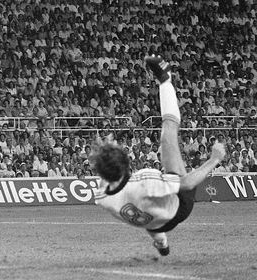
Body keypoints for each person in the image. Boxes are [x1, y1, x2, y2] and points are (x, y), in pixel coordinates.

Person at [89, 56, 226, 256]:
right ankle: (166, 80)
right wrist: (214, 159)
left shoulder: (101, 197)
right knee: (168, 134)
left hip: (155, 223)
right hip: (180, 207)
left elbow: (133, 204)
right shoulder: (145, 180)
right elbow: (187, 184)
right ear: (127, 163)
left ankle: (161, 244)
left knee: (145, 210)